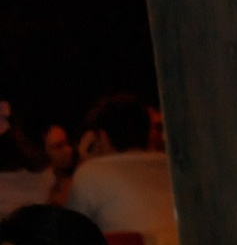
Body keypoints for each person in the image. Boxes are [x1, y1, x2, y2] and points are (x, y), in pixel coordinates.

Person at [67, 93, 176, 236]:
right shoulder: (173, 166)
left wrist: (82, 161)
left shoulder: (91, 173)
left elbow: (71, 232)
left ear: (102, 136)